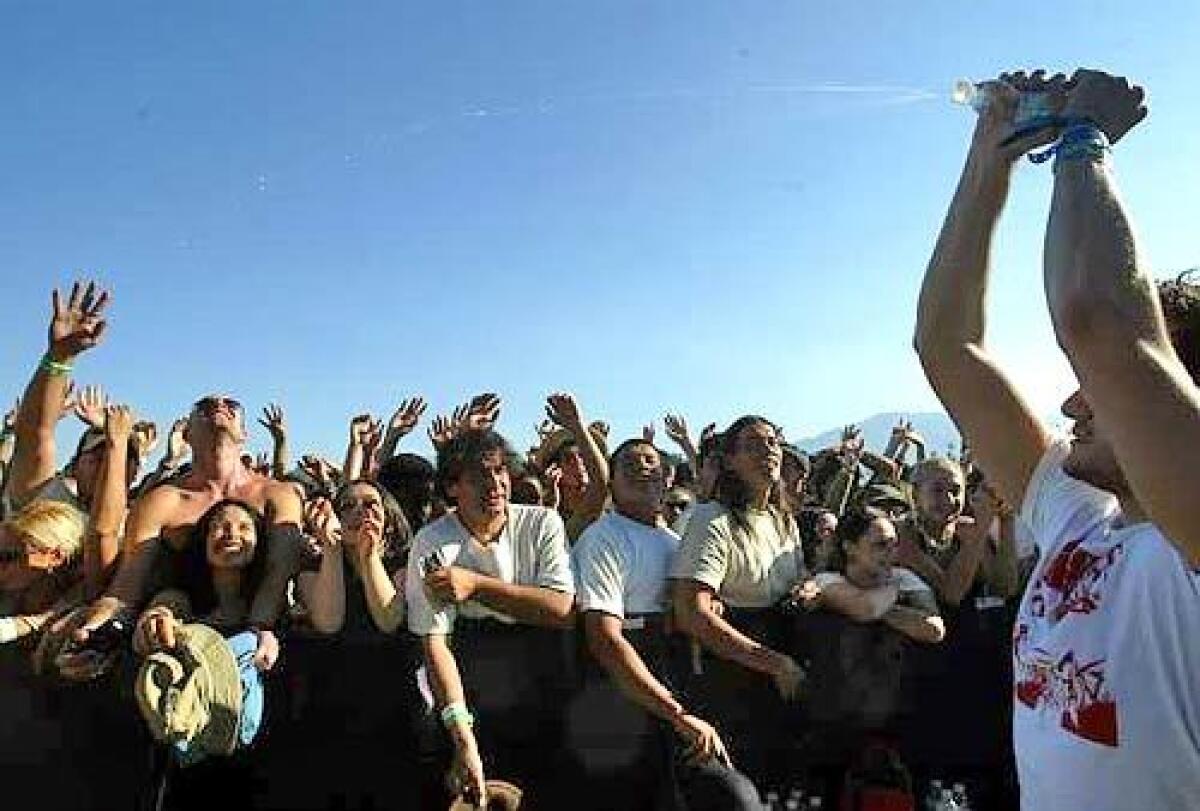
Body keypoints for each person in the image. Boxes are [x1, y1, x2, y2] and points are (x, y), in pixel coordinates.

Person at [915, 68, 1200, 809]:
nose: (1073, 402)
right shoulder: (1078, 515)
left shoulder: (1188, 551)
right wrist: (990, 155)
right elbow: (947, 347)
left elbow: (1100, 319)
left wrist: (1085, 141)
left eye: (1101, 386)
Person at [570, 437, 760, 810]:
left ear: (669, 476)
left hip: (674, 677)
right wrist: (677, 714)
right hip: (621, 694)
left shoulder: (676, 543)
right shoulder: (602, 539)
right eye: (630, 463)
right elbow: (605, 640)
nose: (642, 468)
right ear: (610, 479)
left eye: (651, 461)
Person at [56, 393, 304, 677]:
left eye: (231, 405)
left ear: (244, 434)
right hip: (174, 641)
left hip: (262, 644)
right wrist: (94, 633)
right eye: (205, 406)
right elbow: (125, 589)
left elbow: (278, 573)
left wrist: (257, 632)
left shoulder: (278, 495)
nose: (220, 407)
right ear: (187, 434)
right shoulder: (162, 501)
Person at [405, 428, 575, 809]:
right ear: (452, 488)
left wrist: (475, 586)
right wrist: (462, 737)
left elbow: (561, 609)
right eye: (480, 475)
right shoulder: (431, 542)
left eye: (500, 471)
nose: (496, 483)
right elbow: (435, 644)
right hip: (472, 677)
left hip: (545, 675)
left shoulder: (542, 523)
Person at [670, 415, 806, 793]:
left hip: (780, 678)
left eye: (773, 442)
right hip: (731, 683)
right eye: (753, 445)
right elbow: (692, 612)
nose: (769, 452)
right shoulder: (712, 520)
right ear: (728, 460)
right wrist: (773, 662)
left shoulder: (784, 522)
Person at [798, 509, 942, 797]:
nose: (889, 552)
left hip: (895, 722)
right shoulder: (826, 580)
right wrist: (892, 595)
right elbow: (865, 609)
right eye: (879, 545)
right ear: (850, 547)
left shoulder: (905, 579)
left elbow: (933, 628)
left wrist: (883, 600)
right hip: (836, 725)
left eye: (892, 544)